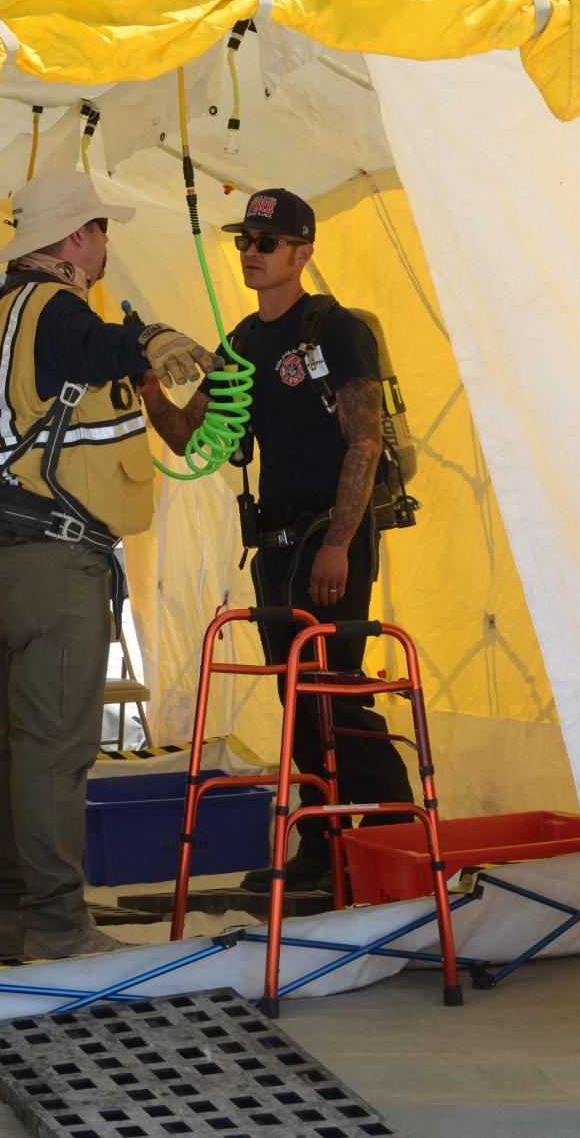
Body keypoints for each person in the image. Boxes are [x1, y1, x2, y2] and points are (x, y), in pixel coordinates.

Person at [0, 170, 219, 961]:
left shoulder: (5, 309)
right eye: (102, 228)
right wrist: (148, 340)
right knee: (54, 750)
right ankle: (56, 924)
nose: (109, 242)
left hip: (12, 554)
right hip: (51, 559)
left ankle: (15, 913)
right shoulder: (54, 309)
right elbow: (91, 342)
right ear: (76, 238)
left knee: (17, 743)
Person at [141, 187, 414, 893]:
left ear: (302, 250)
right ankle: (324, 846)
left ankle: (396, 840)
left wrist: (342, 542)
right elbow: (195, 436)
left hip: (332, 534)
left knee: (335, 691)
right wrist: (146, 380)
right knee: (299, 698)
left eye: (266, 243)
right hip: (276, 545)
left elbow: (366, 438)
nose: (251, 254)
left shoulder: (335, 328)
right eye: (244, 241)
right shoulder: (242, 341)